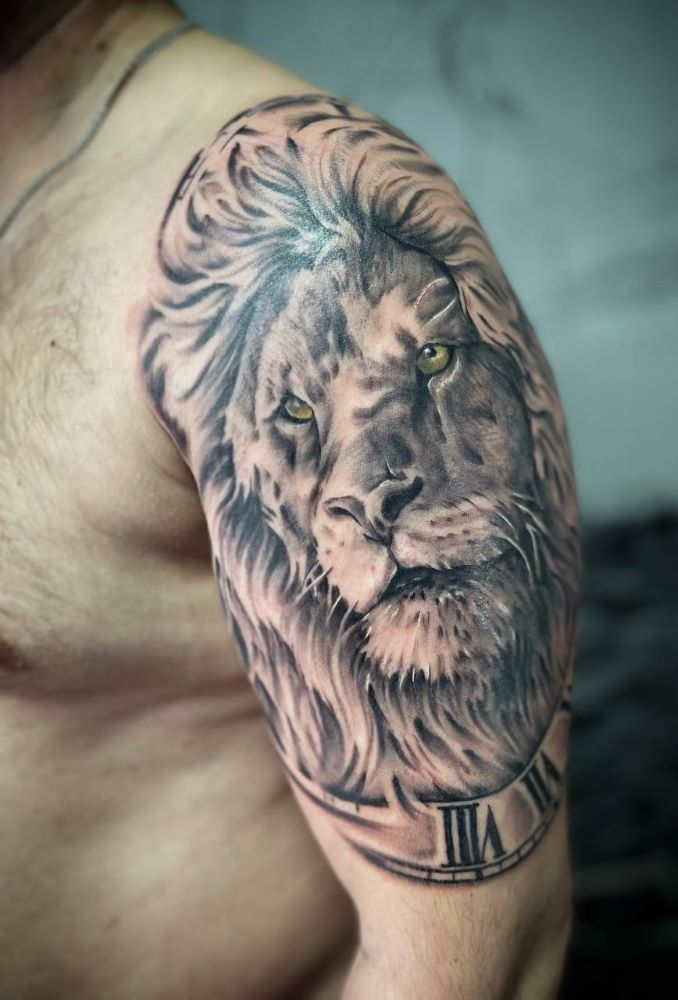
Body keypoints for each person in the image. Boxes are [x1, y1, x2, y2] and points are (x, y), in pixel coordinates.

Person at [0, 2, 580, 996]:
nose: (365, 486)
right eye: (299, 414)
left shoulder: (294, 224)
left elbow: (479, 970)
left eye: (431, 361)